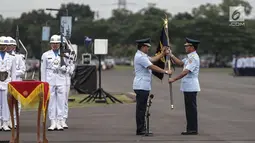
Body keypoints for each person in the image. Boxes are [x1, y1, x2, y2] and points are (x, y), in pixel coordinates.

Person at [133, 38, 172, 135]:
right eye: (147, 47)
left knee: (142, 108)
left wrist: (162, 54)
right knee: (141, 109)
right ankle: (141, 129)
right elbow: (152, 66)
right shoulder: (140, 57)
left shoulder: (142, 55)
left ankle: (142, 128)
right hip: (141, 85)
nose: (148, 49)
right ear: (142, 47)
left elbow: (153, 59)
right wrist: (165, 71)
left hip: (143, 85)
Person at [168, 37, 200, 135]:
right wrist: (171, 55)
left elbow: (186, 71)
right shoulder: (190, 57)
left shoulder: (194, 58)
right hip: (188, 86)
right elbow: (181, 63)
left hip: (191, 86)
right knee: (189, 108)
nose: (185, 47)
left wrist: (174, 79)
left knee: (191, 109)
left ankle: (193, 129)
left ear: (192, 47)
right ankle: (190, 128)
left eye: (187, 46)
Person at [40, 34, 67, 131]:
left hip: (61, 79)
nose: (55, 45)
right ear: (50, 44)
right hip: (50, 80)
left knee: (61, 101)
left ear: (60, 44)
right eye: (53, 43)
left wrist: (65, 69)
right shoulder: (46, 55)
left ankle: (60, 121)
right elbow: (43, 70)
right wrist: (43, 83)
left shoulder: (65, 54)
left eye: (57, 43)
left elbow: (70, 67)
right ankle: (52, 122)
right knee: (51, 102)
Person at [6, 36, 26, 129]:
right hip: (4, 82)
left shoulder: (19, 57)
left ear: (14, 47)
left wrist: (12, 72)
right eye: (7, 45)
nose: (8, 47)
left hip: (16, 82)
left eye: (11, 45)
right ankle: (4, 121)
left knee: (16, 103)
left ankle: (14, 120)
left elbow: (22, 71)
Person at [0, 36, 16, 131]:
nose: (3, 47)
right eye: (1, 45)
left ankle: (5, 122)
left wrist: (13, 84)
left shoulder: (12, 58)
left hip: (7, 82)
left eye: (4, 45)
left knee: (6, 104)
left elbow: (13, 73)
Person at [62, 39, 76, 129]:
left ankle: (63, 119)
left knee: (64, 100)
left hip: (66, 78)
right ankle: (56, 119)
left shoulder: (69, 54)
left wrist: (69, 70)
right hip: (56, 78)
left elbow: (72, 65)